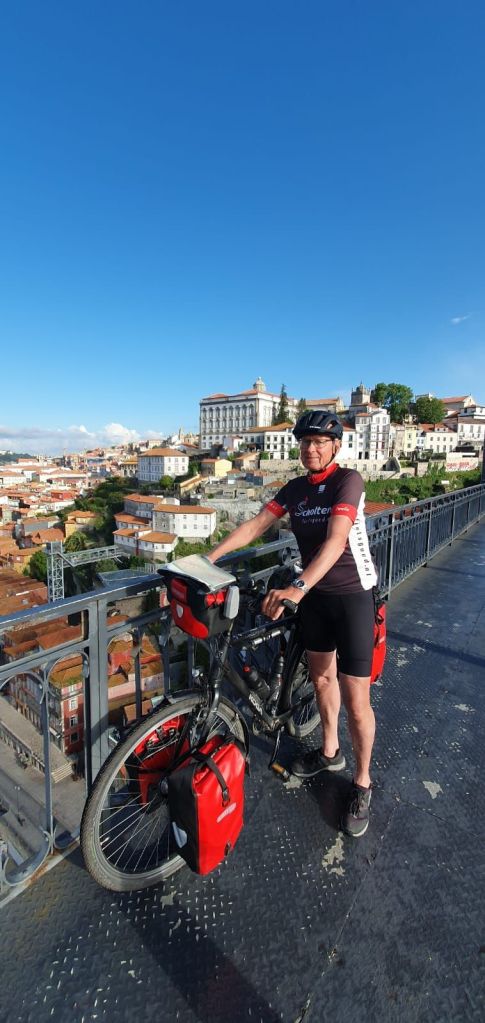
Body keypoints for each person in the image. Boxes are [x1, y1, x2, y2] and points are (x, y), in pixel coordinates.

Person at [207, 410, 378, 838]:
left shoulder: (348, 481)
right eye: (305, 442)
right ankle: (329, 751)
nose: (311, 448)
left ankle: (362, 783)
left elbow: (337, 540)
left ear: (335, 446)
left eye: (320, 442)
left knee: (356, 698)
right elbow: (255, 525)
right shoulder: (296, 489)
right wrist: (206, 560)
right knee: (321, 680)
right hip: (316, 598)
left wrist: (297, 587)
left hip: (353, 597)